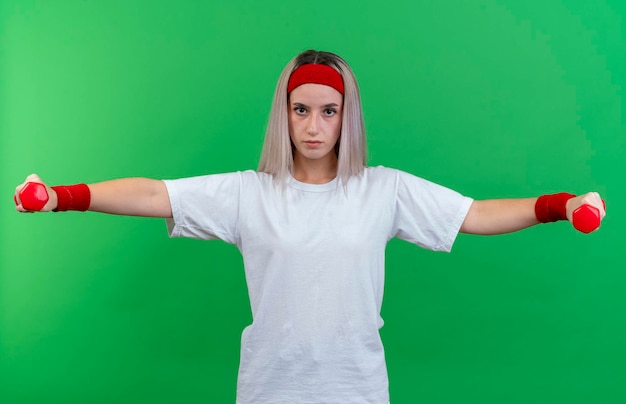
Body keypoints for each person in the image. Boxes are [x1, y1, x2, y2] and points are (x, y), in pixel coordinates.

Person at [14, 50, 606, 404]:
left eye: (329, 110)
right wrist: (60, 197)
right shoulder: (248, 193)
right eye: (302, 110)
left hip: (357, 390)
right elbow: (154, 194)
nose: (314, 125)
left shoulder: (384, 189)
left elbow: (474, 214)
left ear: (347, 116)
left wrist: (560, 204)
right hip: (271, 389)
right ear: (285, 114)